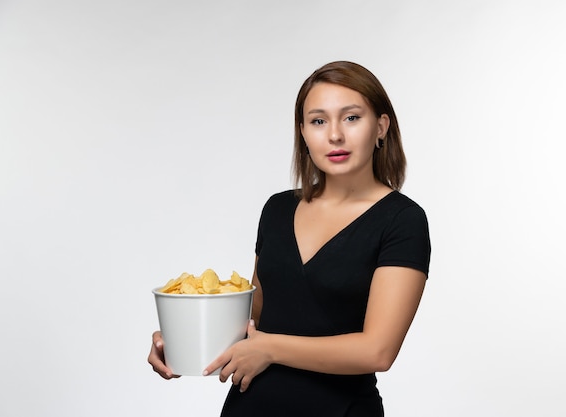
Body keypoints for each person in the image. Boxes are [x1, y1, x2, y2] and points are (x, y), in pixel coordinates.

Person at [148, 61, 431, 416]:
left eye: (351, 118)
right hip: (250, 407)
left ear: (381, 127)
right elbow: (251, 325)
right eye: (318, 120)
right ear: (303, 132)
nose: (334, 135)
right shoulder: (277, 209)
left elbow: (378, 350)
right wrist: (180, 338)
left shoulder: (402, 220)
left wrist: (271, 349)